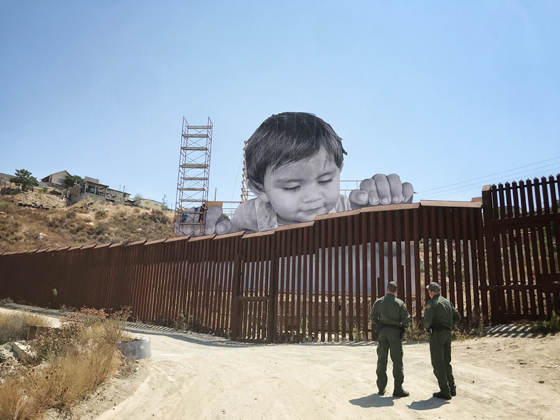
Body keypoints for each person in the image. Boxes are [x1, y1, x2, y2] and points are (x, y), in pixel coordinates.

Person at [208, 112, 414, 235]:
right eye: (292, 187)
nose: (313, 196)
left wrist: (389, 222)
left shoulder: (349, 211)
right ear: (259, 188)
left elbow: (385, 253)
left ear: (339, 170)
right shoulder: (250, 215)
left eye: (325, 180)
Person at [369, 281, 411, 397]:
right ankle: (398, 389)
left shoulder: (379, 302)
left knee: (382, 359)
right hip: (395, 333)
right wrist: (402, 327)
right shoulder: (399, 303)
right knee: (397, 361)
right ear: (396, 291)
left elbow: (372, 317)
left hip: (382, 332)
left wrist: (379, 324)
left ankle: (381, 388)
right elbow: (406, 319)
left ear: (387, 289)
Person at [423, 282, 461, 400]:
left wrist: (426, 328)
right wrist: (448, 325)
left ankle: (445, 391)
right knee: (446, 361)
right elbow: (457, 317)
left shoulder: (432, 303)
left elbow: (427, 320)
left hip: (437, 334)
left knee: (437, 361)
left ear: (431, 291)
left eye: (429, 291)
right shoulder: (447, 302)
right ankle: (452, 388)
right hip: (447, 333)